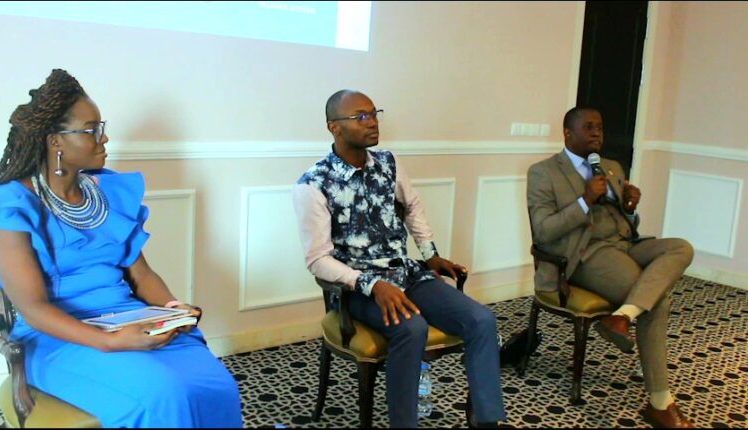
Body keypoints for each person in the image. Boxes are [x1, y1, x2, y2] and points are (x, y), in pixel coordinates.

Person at [0, 69, 243, 428]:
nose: (104, 137)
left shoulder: (108, 193)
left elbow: (142, 275)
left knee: (217, 387)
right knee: (164, 395)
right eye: (91, 130)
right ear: (55, 141)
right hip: (57, 338)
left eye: (102, 127)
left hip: (129, 318)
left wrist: (172, 309)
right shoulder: (12, 203)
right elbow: (33, 309)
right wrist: (110, 341)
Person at [292, 90, 505, 428]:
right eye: (360, 116)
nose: (372, 122)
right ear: (334, 127)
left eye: (374, 113)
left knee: (481, 320)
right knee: (412, 328)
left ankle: (488, 421)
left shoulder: (389, 163)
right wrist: (372, 285)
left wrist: (430, 255)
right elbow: (318, 259)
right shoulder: (313, 184)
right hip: (358, 290)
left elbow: (413, 205)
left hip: (406, 274)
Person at [526, 106, 695, 428]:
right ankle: (660, 403)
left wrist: (630, 209)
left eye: (600, 128)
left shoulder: (612, 167)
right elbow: (544, 231)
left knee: (680, 247)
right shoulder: (543, 172)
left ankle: (622, 316)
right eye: (588, 127)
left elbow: (626, 224)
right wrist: (584, 201)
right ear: (567, 133)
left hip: (625, 244)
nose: (596, 134)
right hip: (585, 254)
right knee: (657, 301)